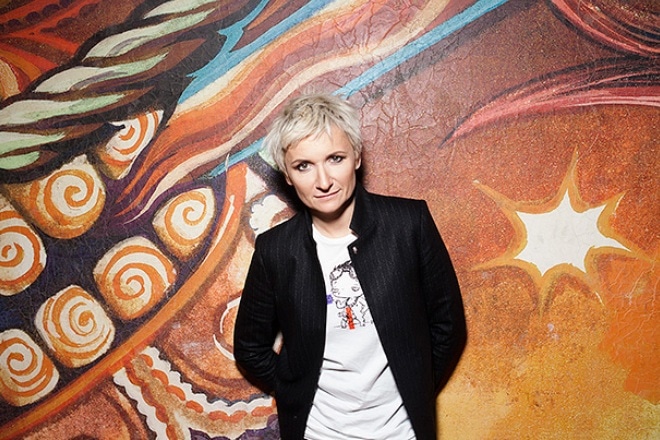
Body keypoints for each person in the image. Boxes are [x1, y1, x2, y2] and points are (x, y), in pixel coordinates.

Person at [233, 93, 466, 440]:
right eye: (303, 166)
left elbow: (448, 326)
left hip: (402, 433)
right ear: (287, 174)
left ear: (356, 156)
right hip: (318, 433)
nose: (323, 180)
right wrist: (295, 388)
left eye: (335, 158)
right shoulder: (276, 250)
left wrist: (414, 387)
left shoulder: (408, 225)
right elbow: (250, 348)